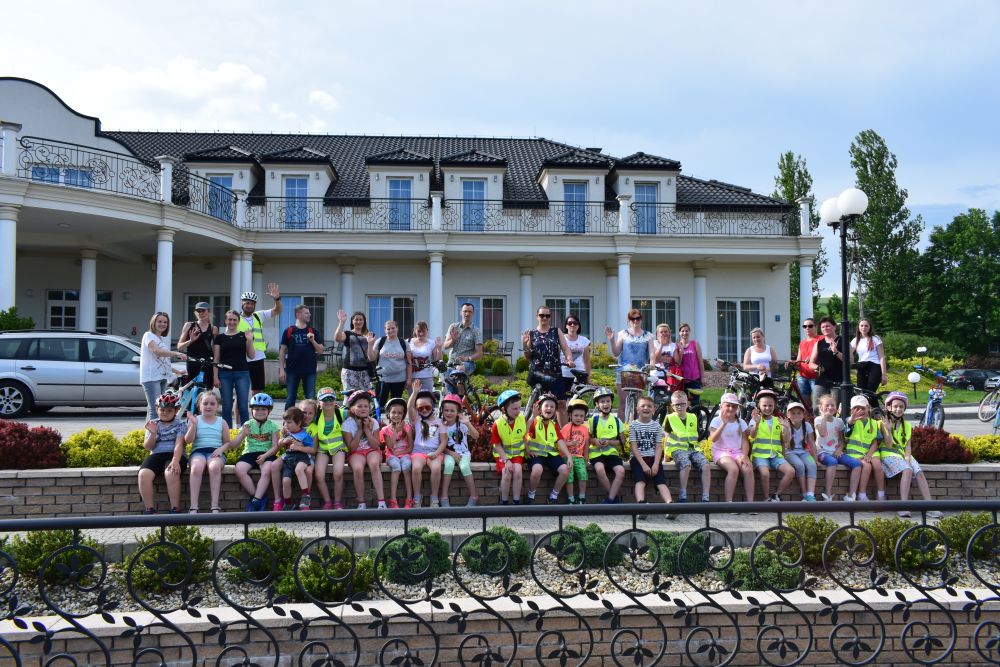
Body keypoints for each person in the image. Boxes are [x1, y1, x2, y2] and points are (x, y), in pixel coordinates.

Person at [875, 392, 943, 519]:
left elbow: (908, 446)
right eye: (895, 406)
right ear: (889, 407)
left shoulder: (906, 425)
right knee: (907, 470)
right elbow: (888, 445)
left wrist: (907, 458)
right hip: (888, 454)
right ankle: (904, 505)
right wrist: (888, 430)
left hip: (902, 455)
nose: (898, 409)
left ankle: (930, 506)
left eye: (901, 407)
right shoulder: (882, 423)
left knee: (919, 472)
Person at [217, 392, 280, 512]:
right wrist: (243, 434)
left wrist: (265, 456)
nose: (260, 411)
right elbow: (234, 445)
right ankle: (257, 498)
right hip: (249, 453)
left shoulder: (273, 426)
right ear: (251, 410)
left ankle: (256, 500)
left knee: (267, 471)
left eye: (263, 409)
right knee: (239, 469)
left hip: (267, 454)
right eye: (257, 409)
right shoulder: (247, 424)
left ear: (269, 411)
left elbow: (275, 447)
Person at [138, 392, 187, 514]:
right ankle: (150, 509)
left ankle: (175, 508)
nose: (165, 413)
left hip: (175, 454)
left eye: (169, 410)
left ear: (176, 411)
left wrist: (175, 461)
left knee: (171, 473)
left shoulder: (180, 424)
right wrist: (153, 433)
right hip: (157, 454)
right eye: (162, 410)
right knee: (143, 474)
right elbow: (148, 447)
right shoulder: (153, 424)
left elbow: (179, 444)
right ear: (157, 409)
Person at [628, 396, 675, 518]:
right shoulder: (633, 426)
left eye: (649, 406)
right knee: (640, 481)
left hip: (653, 458)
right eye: (643, 406)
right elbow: (634, 447)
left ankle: (670, 506)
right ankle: (641, 506)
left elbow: (659, 447)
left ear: (654, 409)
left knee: (661, 482)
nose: (646, 408)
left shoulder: (657, 426)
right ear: (637, 409)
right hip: (638, 459)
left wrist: (656, 464)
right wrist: (643, 465)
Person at [185, 391, 230, 513]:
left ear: (217, 406)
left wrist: (220, 450)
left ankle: (215, 505)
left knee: (214, 467)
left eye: (212, 404)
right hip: (198, 452)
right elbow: (188, 440)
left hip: (215, 452)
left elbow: (227, 442)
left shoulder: (222, 422)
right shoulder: (195, 420)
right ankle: (194, 506)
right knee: (196, 468)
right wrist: (193, 425)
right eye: (205, 403)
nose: (208, 406)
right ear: (199, 406)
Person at [663, 390, 711, 503]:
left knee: (706, 466)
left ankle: (705, 498)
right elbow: (667, 437)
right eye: (676, 405)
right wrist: (665, 456)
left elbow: (694, 434)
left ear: (688, 404)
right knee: (686, 464)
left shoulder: (693, 417)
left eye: (682, 404)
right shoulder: (669, 418)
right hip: (677, 449)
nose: (680, 407)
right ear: (672, 406)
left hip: (693, 448)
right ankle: (682, 496)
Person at [747, 389, 795, 502]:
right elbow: (752, 435)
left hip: (775, 455)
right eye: (764, 405)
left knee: (791, 471)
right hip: (760, 455)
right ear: (759, 406)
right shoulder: (755, 420)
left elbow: (786, 441)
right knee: (765, 473)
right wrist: (757, 424)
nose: (767, 408)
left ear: (774, 406)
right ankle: (766, 498)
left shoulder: (778, 420)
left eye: (770, 405)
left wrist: (786, 428)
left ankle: (776, 495)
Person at [606, 309, 655, 417]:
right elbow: (616, 353)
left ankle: (635, 426)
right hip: (624, 372)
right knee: (623, 404)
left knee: (638, 405)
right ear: (629, 320)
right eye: (633, 319)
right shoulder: (623, 334)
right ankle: (621, 427)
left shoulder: (648, 336)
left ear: (641, 319)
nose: (635, 321)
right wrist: (612, 340)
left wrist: (652, 363)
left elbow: (652, 353)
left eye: (638, 318)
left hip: (639, 372)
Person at [709, 392, 755, 506]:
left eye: (734, 406)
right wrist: (724, 424)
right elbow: (713, 439)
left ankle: (750, 504)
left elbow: (745, 440)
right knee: (733, 469)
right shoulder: (716, 421)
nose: (731, 408)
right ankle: (729, 503)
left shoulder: (741, 422)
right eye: (728, 405)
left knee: (748, 469)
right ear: (721, 406)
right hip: (721, 452)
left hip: (737, 452)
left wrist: (745, 456)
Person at [343, 389, 387, 509]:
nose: (363, 408)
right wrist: (360, 430)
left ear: (369, 408)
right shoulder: (347, 424)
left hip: (372, 450)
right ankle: (361, 502)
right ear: (352, 408)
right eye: (359, 406)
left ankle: (381, 502)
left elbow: (376, 445)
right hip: (356, 452)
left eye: (366, 406)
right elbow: (351, 448)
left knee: (374, 464)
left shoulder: (374, 422)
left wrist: (367, 429)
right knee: (357, 468)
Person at [237, 284, 283, 397]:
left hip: (257, 357)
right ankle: (240, 409)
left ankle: (255, 408)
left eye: (252, 303)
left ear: (255, 305)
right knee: (240, 390)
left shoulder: (259, 315)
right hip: (241, 358)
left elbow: (277, 311)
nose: (249, 305)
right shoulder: (235, 319)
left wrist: (277, 299)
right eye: (247, 303)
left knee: (257, 389)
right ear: (242, 303)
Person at [140, 312, 187, 421]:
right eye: (159, 321)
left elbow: (163, 362)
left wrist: (177, 371)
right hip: (151, 377)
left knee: (157, 408)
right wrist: (176, 353)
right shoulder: (148, 335)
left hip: (162, 377)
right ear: (154, 322)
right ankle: (153, 432)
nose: (163, 324)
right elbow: (157, 352)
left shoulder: (160, 338)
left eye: (165, 322)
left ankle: (150, 430)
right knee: (156, 409)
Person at [523, 306, 574, 406]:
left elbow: (565, 348)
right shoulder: (532, 333)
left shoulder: (556, 331)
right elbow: (528, 357)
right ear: (537, 316)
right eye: (542, 315)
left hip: (555, 373)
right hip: (538, 374)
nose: (545, 318)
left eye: (547, 316)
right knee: (538, 404)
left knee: (561, 403)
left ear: (550, 317)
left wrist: (569, 359)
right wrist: (524, 344)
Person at [525, 394, 570, 504]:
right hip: (536, 454)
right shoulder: (535, 421)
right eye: (546, 406)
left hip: (551, 455)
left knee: (565, 470)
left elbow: (560, 441)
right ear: (540, 408)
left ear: (555, 411)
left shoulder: (554, 425)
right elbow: (524, 432)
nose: (549, 408)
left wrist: (569, 456)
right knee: (537, 470)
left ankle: (553, 497)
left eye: (552, 406)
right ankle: (530, 496)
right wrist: (533, 416)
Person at [278, 304, 325, 409]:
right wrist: (281, 369)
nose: (310, 314)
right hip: (292, 370)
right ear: (298, 314)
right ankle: (288, 419)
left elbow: (321, 350)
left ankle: (312, 419)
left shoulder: (313, 331)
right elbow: (282, 351)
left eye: (309, 313)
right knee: (290, 398)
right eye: (306, 313)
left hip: (309, 371)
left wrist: (312, 340)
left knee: (310, 399)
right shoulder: (289, 331)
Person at [213, 310, 255, 427]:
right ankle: (228, 432)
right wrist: (215, 377)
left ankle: (245, 431)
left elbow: (251, 355)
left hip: (242, 373)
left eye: (234, 320)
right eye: (230, 319)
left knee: (243, 405)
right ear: (225, 321)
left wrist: (250, 340)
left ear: (238, 321)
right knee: (227, 405)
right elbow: (216, 359)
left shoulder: (244, 336)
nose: (232, 322)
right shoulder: (219, 338)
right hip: (224, 374)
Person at [408, 381, 446, 507]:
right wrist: (415, 393)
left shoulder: (440, 422)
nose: (424, 410)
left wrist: (437, 453)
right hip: (418, 451)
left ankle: (434, 497)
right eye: (420, 408)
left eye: (427, 407)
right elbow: (409, 408)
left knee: (436, 468)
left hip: (435, 451)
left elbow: (444, 441)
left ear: (433, 407)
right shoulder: (417, 419)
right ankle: (417, 497)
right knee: (416, 468)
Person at [271, 407, 316, 511]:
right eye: (285, 422)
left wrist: (299, 447)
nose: (286, 425)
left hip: (302, 457)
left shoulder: (305, 435)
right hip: (289, 459)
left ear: (299, 423)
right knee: (286, 481)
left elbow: (312, 449)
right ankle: (288, 504)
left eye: (289, 422)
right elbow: (279, 444)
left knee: (299, 469)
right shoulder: (287, 433)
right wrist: (283, 441)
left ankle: (306, 495)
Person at [439, 393, 480, 507]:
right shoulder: (441, 425)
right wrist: (451, 453)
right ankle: (444, 497)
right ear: (442, 411)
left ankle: (474, 496)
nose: (449, 413)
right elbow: (440, 445)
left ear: (458, 412)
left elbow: (476, 436)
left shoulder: (462, 424)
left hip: (463, 453)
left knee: (464, 467)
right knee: (448, 465)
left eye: (452, 411)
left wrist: (468, 423)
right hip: (448, 453)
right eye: (446, 410)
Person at [814, 393, 856, 501]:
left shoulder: (839, 421)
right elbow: (822, 433)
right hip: (822, 452)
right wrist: (825, 417)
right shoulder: (818, 419)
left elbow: (841, 440)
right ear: (821, 408)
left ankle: (851, 495)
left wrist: (840, 449)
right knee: (833, 462)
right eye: (827, 405)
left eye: (832, 405)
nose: (830, 407)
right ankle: (827, 493)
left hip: (835, 451)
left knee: (857, 464)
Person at [588, 387, 627, 504]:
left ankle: (610, 499)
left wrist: (610, 442)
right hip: (596, 453)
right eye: (602, 401)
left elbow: (622, 441)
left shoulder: (617, 421)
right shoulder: (592, 420)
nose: (606, 404)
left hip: (611, 453)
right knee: (600, 469)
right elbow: (588, 439)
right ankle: (614, 498)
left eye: (608, 401)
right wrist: (594, 441)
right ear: (597, 404)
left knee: (621, 471)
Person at [313, 387, 347, 510]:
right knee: (318, 475)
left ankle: (337, 502)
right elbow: (302, 418)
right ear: (319, 402)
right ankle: (327, 501)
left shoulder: (342, 413)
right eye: (324, 399)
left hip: (338, 448)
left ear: (335, 401)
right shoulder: (316, 416)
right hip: (322, 449)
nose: (328, 402)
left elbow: (356, 413)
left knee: (338, 473)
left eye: (331, 399)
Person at [491, 389, 527, 505]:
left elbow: (524, 436)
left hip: (517, 454)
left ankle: (516, 502)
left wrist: (528, 449)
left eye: (519, 408)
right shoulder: (497, 424)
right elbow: (497, 445)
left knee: (518, 471)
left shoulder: (521, 418)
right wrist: (506, 460)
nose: (518, 411)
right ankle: (504, 502)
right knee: (507, 473)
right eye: (514, 409)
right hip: (502, 455)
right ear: (503, 409)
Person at [842, 395, 877, 502]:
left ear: (868, 408)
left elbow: (875, 441)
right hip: (852, 454)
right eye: (856, 409)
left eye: (863, 408)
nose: (860, 411)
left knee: (868, 465)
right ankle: (860, 494)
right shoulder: (851, 420)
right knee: (867, 465)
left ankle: (861, 494)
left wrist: (869, 454)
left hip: (865, 455)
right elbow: (846, 432)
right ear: (851, 410)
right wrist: (851, 421)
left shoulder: (873, 423)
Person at [443, 302, 483, 394]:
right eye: (465, 311)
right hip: (451, 363)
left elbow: (479, 354)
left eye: (470, 311)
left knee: (459, 370)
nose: (467, 314)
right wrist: (453, 340)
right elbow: (445, 346)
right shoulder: (453, 327)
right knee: (450, 389)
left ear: (473, 314)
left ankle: (461, 397)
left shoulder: (476, 331)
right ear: (460, 312)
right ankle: (458, 398)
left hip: (467, 364)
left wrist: (468, 358)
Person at [369, 320, 412, 407]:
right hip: (383, 379)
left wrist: (409, 379)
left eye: (393, 328)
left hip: (399, 379)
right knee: (379, 405)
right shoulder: (380, 341)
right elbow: (372, 358)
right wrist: (370, 344)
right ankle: (379, 416)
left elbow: (409, 363)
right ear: (385, 330)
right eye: (388, 329)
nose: (391, 330)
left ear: (397, 328)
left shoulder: (403, 342)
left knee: (395, 405)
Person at [380, 397, 413, 509]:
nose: (396, 415)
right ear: (388, 414)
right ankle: (393, 499)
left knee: (406, 466)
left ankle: (409, 498)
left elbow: (410, 448)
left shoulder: (407, 427)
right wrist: (396, 432)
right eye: (393, 412)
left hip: (404, 454)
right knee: (396, 466)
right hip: (391, 456)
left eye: (399, 413)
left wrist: (399, 454)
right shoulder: (385, 430)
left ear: (403, 415)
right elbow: (389, 446)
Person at [558, 315, 591, 423]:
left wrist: (588, 378)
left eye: (575, 323)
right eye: (569, 323)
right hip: (563, 374)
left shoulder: (584, 340)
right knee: (561, 403)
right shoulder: (561, 338)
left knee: (575, 403)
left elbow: (586, 361)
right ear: (566, 326)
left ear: (578, 326)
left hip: (578, 375)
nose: (572, 325)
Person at [783, 402, 818, 501]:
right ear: (788, 415)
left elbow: (812, 443)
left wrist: (816, 458)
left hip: (803, 452)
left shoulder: (807, 425)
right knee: (799, 465)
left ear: (803, 415)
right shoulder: (786, 425)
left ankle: (811, 494)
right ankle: (804, 493)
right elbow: (785, 444)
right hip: (789, 452)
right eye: (793, 413)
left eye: (799, 413)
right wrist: (785, 429)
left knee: (812, 465)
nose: (796, 415)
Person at [334, 309, 374, 393]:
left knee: (366, 396)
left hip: (365, 371)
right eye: (356, 319)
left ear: (364, 321)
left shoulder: (369, 335)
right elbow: (337, 338)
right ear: (352, 321)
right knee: (350, 396)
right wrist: (341, 322)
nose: (358, 321)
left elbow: (372, 357)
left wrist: (370, 344)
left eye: (361, 319)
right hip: (349, 370)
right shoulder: (348, 333)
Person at [177, 302, 217, 383]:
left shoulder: (213, 328)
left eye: (203, 311)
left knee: (207, 388)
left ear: (209, 312)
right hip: (192, 362)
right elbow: (179, 347)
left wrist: (215, 367)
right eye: (198, 311)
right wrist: (191, 340)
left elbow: (215, 350)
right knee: (192, 388)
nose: (201, 313)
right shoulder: (189, 325)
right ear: (196, 313)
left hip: (207, 363)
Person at [561, 399, 591, 504]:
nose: (578, 418)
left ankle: (582, 497)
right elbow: (560, 443)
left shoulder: (585, 429)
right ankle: (571, 498)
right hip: (567, 456)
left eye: (581, 416)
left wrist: (586, 459)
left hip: (579, 457)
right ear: (570, 415)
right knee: (569, 477)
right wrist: (570, 443)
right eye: (576, 415)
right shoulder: (566, 428)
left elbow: (586, 445)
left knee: (583, 475)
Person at [787, 318, 821, 410]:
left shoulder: (821, 339)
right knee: (805, 404)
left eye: (810, 326)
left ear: (816, 327)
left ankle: (818, 418)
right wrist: (792, 362)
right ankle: (809, 417)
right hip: (803, 376)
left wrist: (813, 358)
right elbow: (799, 360)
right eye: (804, 326)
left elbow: (825, 355)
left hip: (816, 376)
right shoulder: (802, 343)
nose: (807, 328)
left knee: (818, 404)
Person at [809, 316, 844, 405]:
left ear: (834, 327)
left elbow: (850, 361)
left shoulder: (843, 341)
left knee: (834, 408)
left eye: (828, 326)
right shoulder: (819, 343)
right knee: (817, 407)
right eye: (823, 327)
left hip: (838, 381)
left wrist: (836, 352)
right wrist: (818, 367)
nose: (825, 328)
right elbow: (811, 363)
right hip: (821, 381)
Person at [851, 319, 888, 397]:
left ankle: (874, 405)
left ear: (870, 327)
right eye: (861, 326)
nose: (863, 328)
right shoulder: (855, 340)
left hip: (874, 366)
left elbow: (882, 357)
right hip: (862, 366)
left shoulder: (875, 339)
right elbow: (848, 353)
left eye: (866, 326)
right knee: (861, 393)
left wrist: (884, 375)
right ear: (858, 327)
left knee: (870, 392)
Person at [672, 323, 704, 406]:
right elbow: (677, 363)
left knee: (695, 403)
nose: (684, 333)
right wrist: (681, 350)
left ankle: (697, 414)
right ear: (679, 333)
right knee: (683, 403)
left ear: (689, 332)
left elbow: (700, 362)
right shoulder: (676, 345)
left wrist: (702, 378)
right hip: (682, 379)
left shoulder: (694, 344)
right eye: (682, 331)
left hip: (694, 379)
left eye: (686, 331)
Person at [408, 321, 443, 392]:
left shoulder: (431, 343)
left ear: (427, 331)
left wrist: (439, 348)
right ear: (415, 331)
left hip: (427, 376)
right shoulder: (408, 342)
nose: (421, 333)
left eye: (423, 331)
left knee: (427, 397)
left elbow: (437, 360)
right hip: (412, 377)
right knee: (413, 398)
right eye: (419, 331)